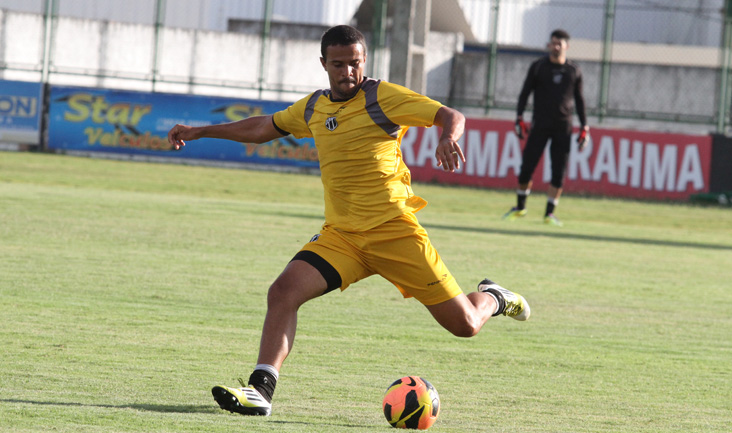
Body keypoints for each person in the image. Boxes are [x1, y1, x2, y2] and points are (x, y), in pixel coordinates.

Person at [168, 25, 530, 417]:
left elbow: (449, 115)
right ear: (324, 64)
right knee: (283, 292)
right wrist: (200, 130)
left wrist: (447, 136)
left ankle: (493, 297)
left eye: (355, 63)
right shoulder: (312, 108)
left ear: (364, 62)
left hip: (395, 233)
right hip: (343, 238)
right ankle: (260, 390)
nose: (348, 72)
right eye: (338, 64)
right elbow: (262, 128)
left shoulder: (383, 97)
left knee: (465, 325)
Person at [505, 29, 590, 227]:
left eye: (560, 43)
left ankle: (549, 214)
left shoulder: (573, 71)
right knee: (527, 166)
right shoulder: (538, 67)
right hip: (540, 125)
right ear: (549, 45)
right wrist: (519, 117)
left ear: (566, 46)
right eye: (553, 43)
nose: (556, 46)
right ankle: (520, 208)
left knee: (558, 171)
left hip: (563, 127)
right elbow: (524, 93)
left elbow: (579, 101)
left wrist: (585, 126)